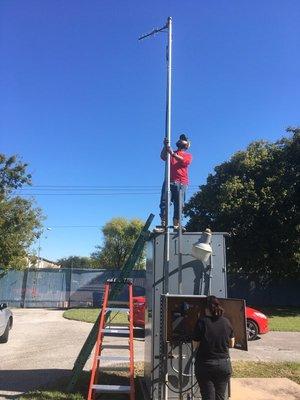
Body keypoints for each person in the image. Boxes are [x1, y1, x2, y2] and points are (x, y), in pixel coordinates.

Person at [192, 296, 235, 400]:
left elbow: (195, 345)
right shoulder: (226, 322)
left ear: (206, 309)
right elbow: (232, 344)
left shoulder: (201, 322)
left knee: (208, 396)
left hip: (205, 365)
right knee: (220, 397)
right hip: (223, 365)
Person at [158, 133, 192, 230]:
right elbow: (163, 156)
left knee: (179, 204)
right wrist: (165, 146)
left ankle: (176, 225)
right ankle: (163, 224)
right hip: (169, 180)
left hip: (181, 182)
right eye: (180, 139)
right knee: (164, 202)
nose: (181, 140)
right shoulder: (171, 152)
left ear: (187, 145)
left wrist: (172, 153)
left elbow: (184, 161)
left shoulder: (188, 155)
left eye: (183, 139)